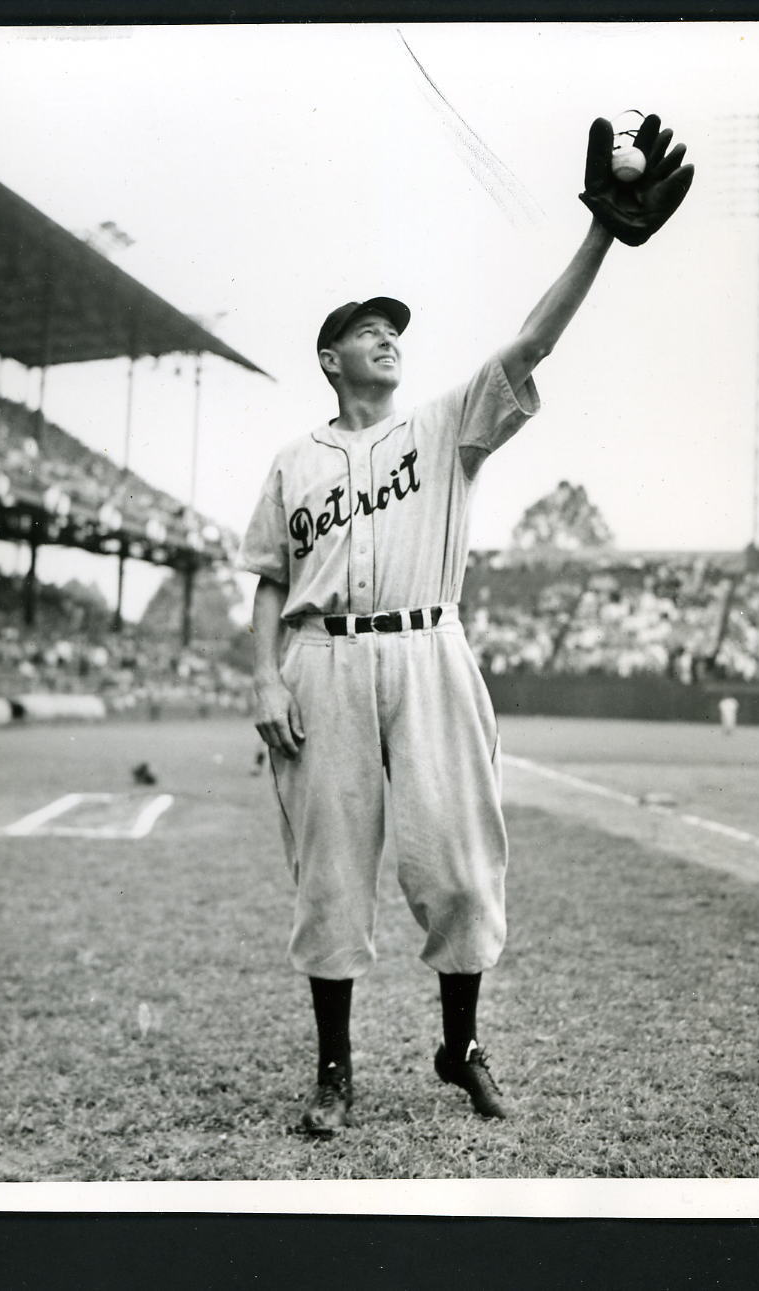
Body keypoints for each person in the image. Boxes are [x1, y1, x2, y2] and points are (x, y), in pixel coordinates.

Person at [239, 114, 693, 1135]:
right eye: (366, 329)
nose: (387, 336)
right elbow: (268, 579)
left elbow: (531, 341)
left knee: (456, 860)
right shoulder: (293, 459)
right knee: (329, 872)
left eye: (393, 326)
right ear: (329, 357)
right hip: (322, 661)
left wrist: (599, 241)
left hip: (431, 646)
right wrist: (261, 675)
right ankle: (334, 1069)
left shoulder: (443, 424)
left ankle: (460, 1045)